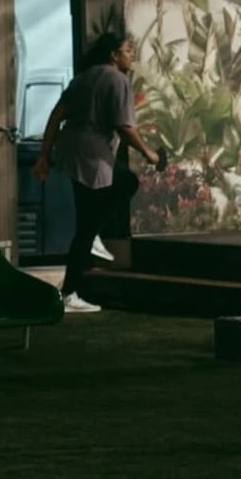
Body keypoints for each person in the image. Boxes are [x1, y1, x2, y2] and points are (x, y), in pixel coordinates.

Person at [34, 33, 159, 314]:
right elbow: (125, 128)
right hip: (93, 156)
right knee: (98, 214)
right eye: (127, 51)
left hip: (71, 151)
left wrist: (44, 154)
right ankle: (69, 291)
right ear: (114, 55)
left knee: (99, 206)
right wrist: (148, 153)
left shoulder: (84, 77)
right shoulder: (117, 80)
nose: (131, 56)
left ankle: (87, 254)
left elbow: (56, 115)